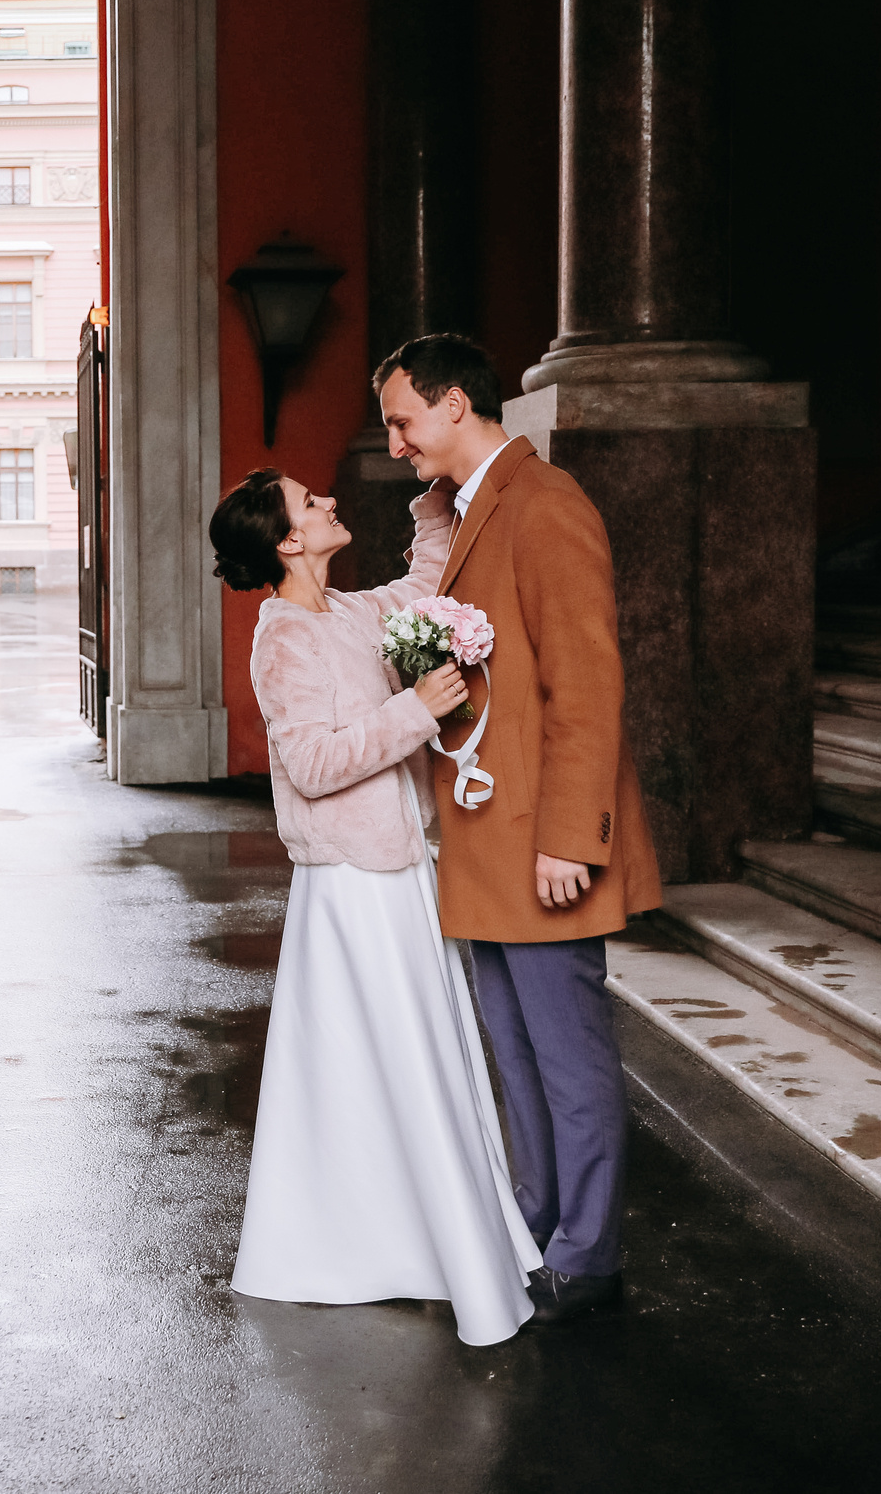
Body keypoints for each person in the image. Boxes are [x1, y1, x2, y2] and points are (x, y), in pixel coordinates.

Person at [213, 465, 543, 1346]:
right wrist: (413, 711)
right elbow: (314, 766)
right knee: (388, 1055)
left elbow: (422, 583)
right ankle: (377, 1245)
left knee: (415, 1054)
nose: (324, 500)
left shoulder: (350, 611)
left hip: (398, 868)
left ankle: (421, 1236)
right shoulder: (281, 638)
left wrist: (440, 493)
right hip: (350, 886)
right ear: (288, 541)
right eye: (306, 502)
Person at [373, 332, 664, 1323]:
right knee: (514, 1053)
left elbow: (586, 685)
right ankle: (536, 1224)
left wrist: (571, 841)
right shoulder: (473, 511)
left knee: (568, 1060)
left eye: (402, 421)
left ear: (456, 404)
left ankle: (588, 1258)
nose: (397, 443)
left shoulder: (546, 505)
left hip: (540, 844)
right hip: (485, 841)